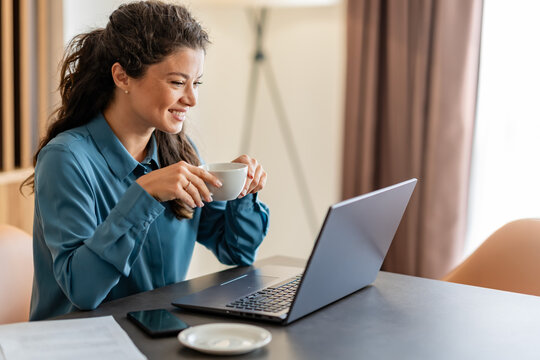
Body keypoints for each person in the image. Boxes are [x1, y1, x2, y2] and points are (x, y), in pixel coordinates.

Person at [23, 1, 269, 321]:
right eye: (178, 82)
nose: (192, 99)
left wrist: (242, 192)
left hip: (159, 336)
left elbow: (238, 252)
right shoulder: (66, 159)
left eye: (197, 83)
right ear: (122, 76)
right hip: (81, 342)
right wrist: (143, 196)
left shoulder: (179, 151)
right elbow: (82, 291)